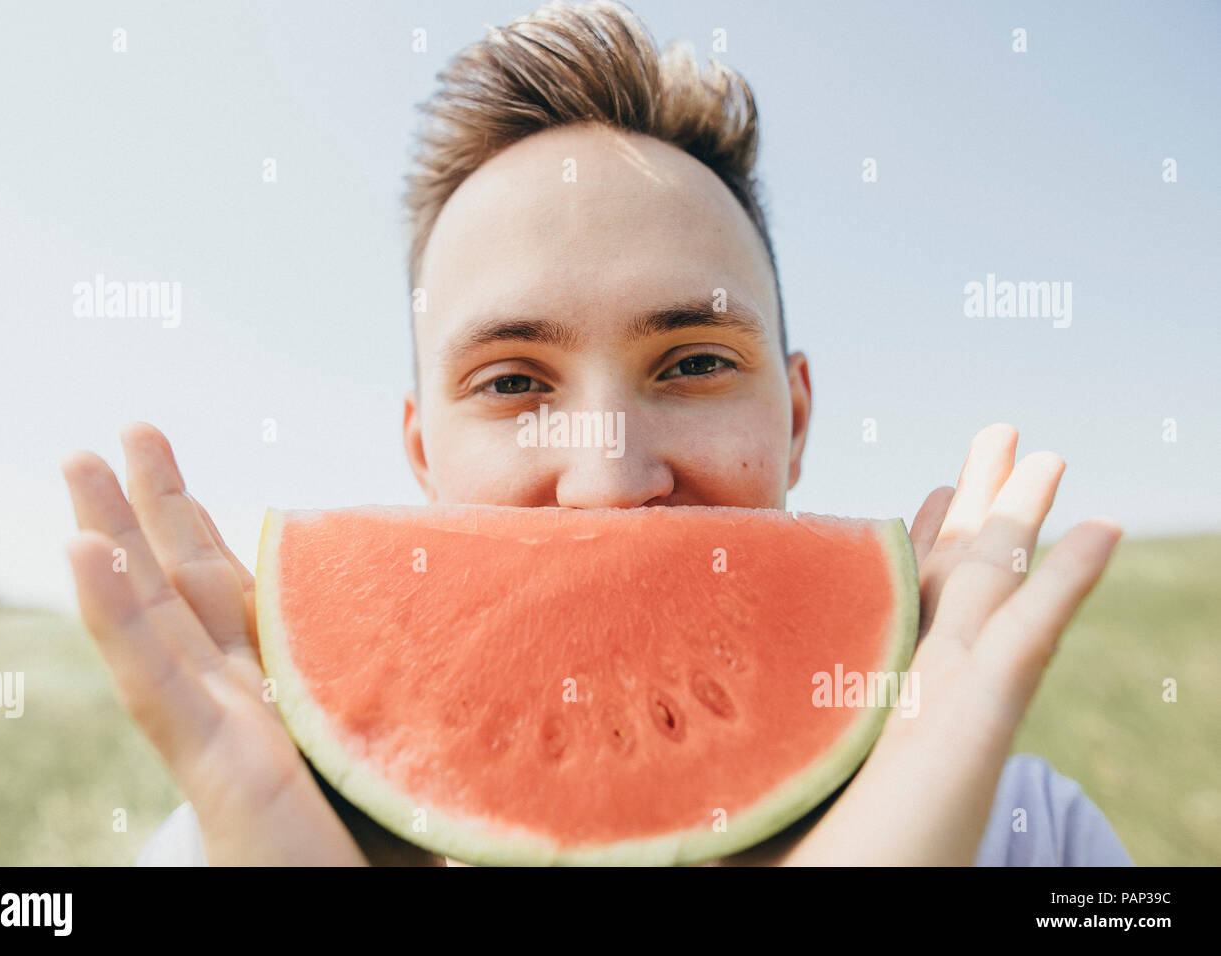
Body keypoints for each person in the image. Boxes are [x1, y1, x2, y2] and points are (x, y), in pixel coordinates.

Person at [60, 0, 1131, 866]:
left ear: (794, 418)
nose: (610, 477)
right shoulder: (233, 840)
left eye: (697, 361)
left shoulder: (1037, 842)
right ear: (423, 454)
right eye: (515, 380)